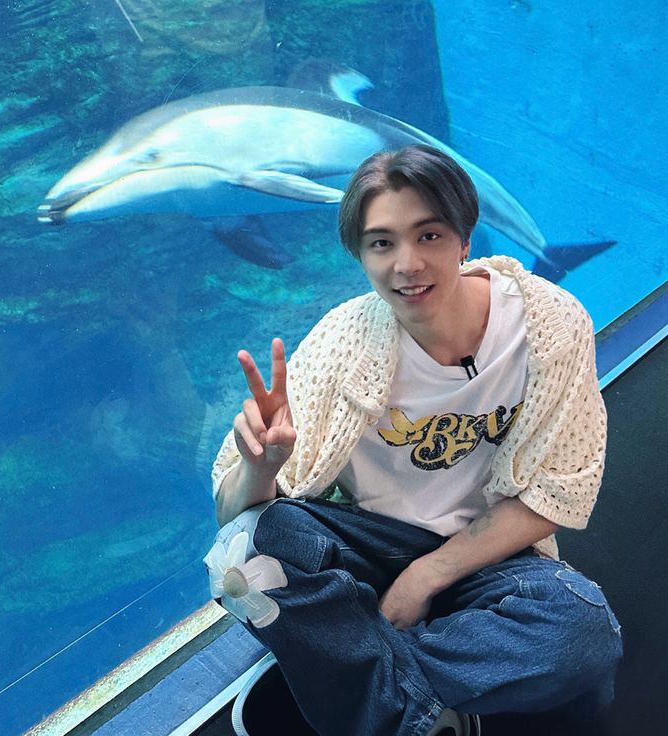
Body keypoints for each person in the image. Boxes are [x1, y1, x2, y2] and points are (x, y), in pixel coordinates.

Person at [204, 144, 622, 735]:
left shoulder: (547, 324)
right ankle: (425, 705)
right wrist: (262, 467)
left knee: (582, 636)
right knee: (240, 557)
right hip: (367, 548)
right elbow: (232, 519)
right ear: (360, 255)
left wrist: (425, 578)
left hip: (485, 558)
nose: (407, 264)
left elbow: (555, 494)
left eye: (428, 236)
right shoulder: (341, 344)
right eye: (382, 243)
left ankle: (346, 673)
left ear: (464, 238)